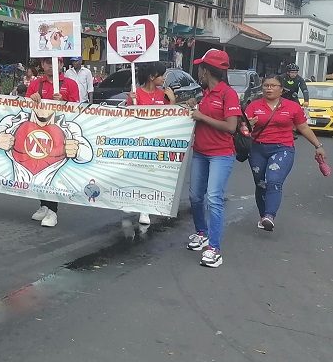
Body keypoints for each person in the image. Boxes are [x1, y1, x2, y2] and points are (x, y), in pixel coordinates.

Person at [245, 74, 326, 232]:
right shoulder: (253, 106)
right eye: (266, 85)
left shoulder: (292, 106)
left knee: (274, 180)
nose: (269, 88)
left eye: (273, 85)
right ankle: (264, 216)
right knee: (260, 183)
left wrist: (318, 145)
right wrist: (248, 125)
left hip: (282, 148)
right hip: (257, 149)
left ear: (281, 89)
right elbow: (243, 129)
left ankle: (270, 215)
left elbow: (303, 127)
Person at [185, 49, 241, 268]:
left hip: (221, 154)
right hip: (200, 152)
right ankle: (202, 233)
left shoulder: (228, 94)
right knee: (195, 197)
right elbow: (198, 116)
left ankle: (214, 249)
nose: (198, 71)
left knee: (214, 198)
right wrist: (194, 108)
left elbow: (230, 127)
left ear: (206, 70)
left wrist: (201, 116)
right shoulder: (205, 92)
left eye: (200, 67)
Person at [26, 57, 80, 227]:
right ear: (42, 65)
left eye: (55, 62)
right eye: (47, 62)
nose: (51, 65)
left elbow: (78, 108)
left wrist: (63, 103)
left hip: (60, 135)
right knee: (39, 168)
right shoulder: (35, 84)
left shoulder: (70, 84)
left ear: (62, 65)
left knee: (54, 171)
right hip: (39, 134)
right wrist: (32, 98)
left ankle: (53, 211)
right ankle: (43, 205)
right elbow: (24, 106)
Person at [124, 62, 176, 225]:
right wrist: (131, 104)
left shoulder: (164, 95)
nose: (164, 78)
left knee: (149, 175)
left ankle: (145, 209)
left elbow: (172, 119)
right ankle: (131, 199)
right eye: (161, 75)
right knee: (135, 174)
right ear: (152, 77)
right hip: (138, 142)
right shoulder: (136, 94)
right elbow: (127, 119)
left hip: (157, 143)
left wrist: (172, 101)